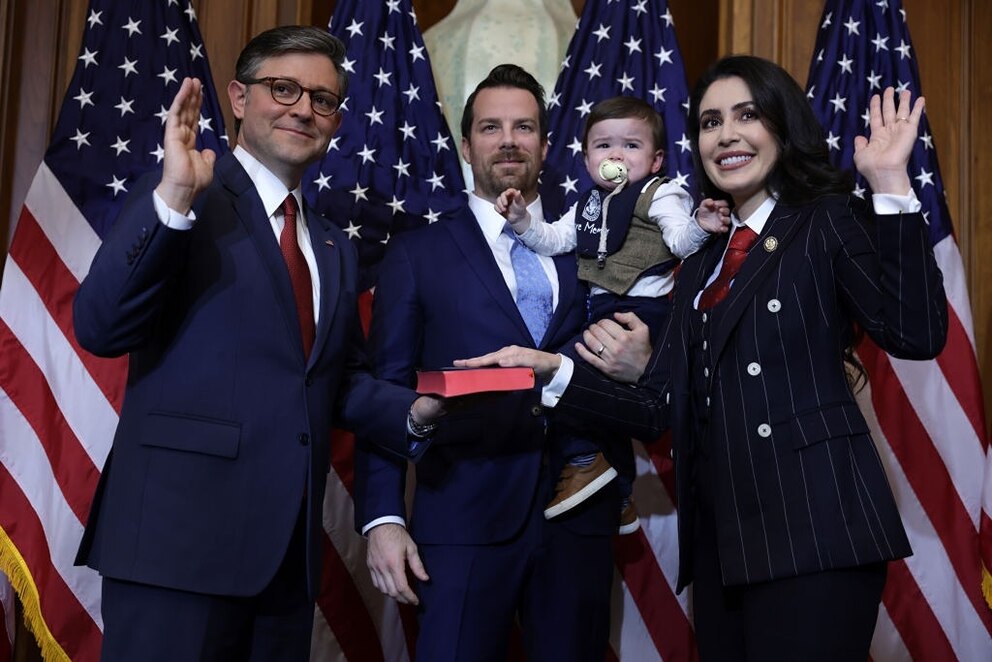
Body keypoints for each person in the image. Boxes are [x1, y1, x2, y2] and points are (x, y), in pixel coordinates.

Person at [459, 55, 947, 661]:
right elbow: (657, 407)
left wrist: (892, 186)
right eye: (712, 121)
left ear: (782, 126)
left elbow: (915, 332)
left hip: (818, 534)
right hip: (722, 542)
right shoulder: (697, 263)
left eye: (748, 114)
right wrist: (552, 371)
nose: (728, 134)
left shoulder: (825, 220)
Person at [73, 26, 442, 661]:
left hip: (284, 564)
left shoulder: (332, 243)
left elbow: (335, 378)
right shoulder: (185, 192)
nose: (303, 108)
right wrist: (174, 200)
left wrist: (413, 412)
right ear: (239, 99)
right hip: (176, 552)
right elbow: (101, 327)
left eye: (322, 99)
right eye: (284, 88)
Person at [354, 64, 618, 661]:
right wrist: (383, 517)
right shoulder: (417, 254)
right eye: (490, 127)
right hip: (460, 521)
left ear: (546, 146)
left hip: (576, 518)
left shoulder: (596, 247)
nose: (508, 140)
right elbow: (386, 392)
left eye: (524, 127)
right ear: (467, 143)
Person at [497, 96, 729, 530]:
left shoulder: (662, 195)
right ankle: (617, 487)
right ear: (586, 158)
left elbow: (680, 241)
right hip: (602, 309)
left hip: (645, 313)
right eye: (604, 146)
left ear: (657, 158)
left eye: (631, 146)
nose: (616, 155)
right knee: (606, 404)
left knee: (570, 380)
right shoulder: (588, 204)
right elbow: (552, 239)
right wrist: (520, 220)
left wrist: (701, 222)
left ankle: (586, 461)